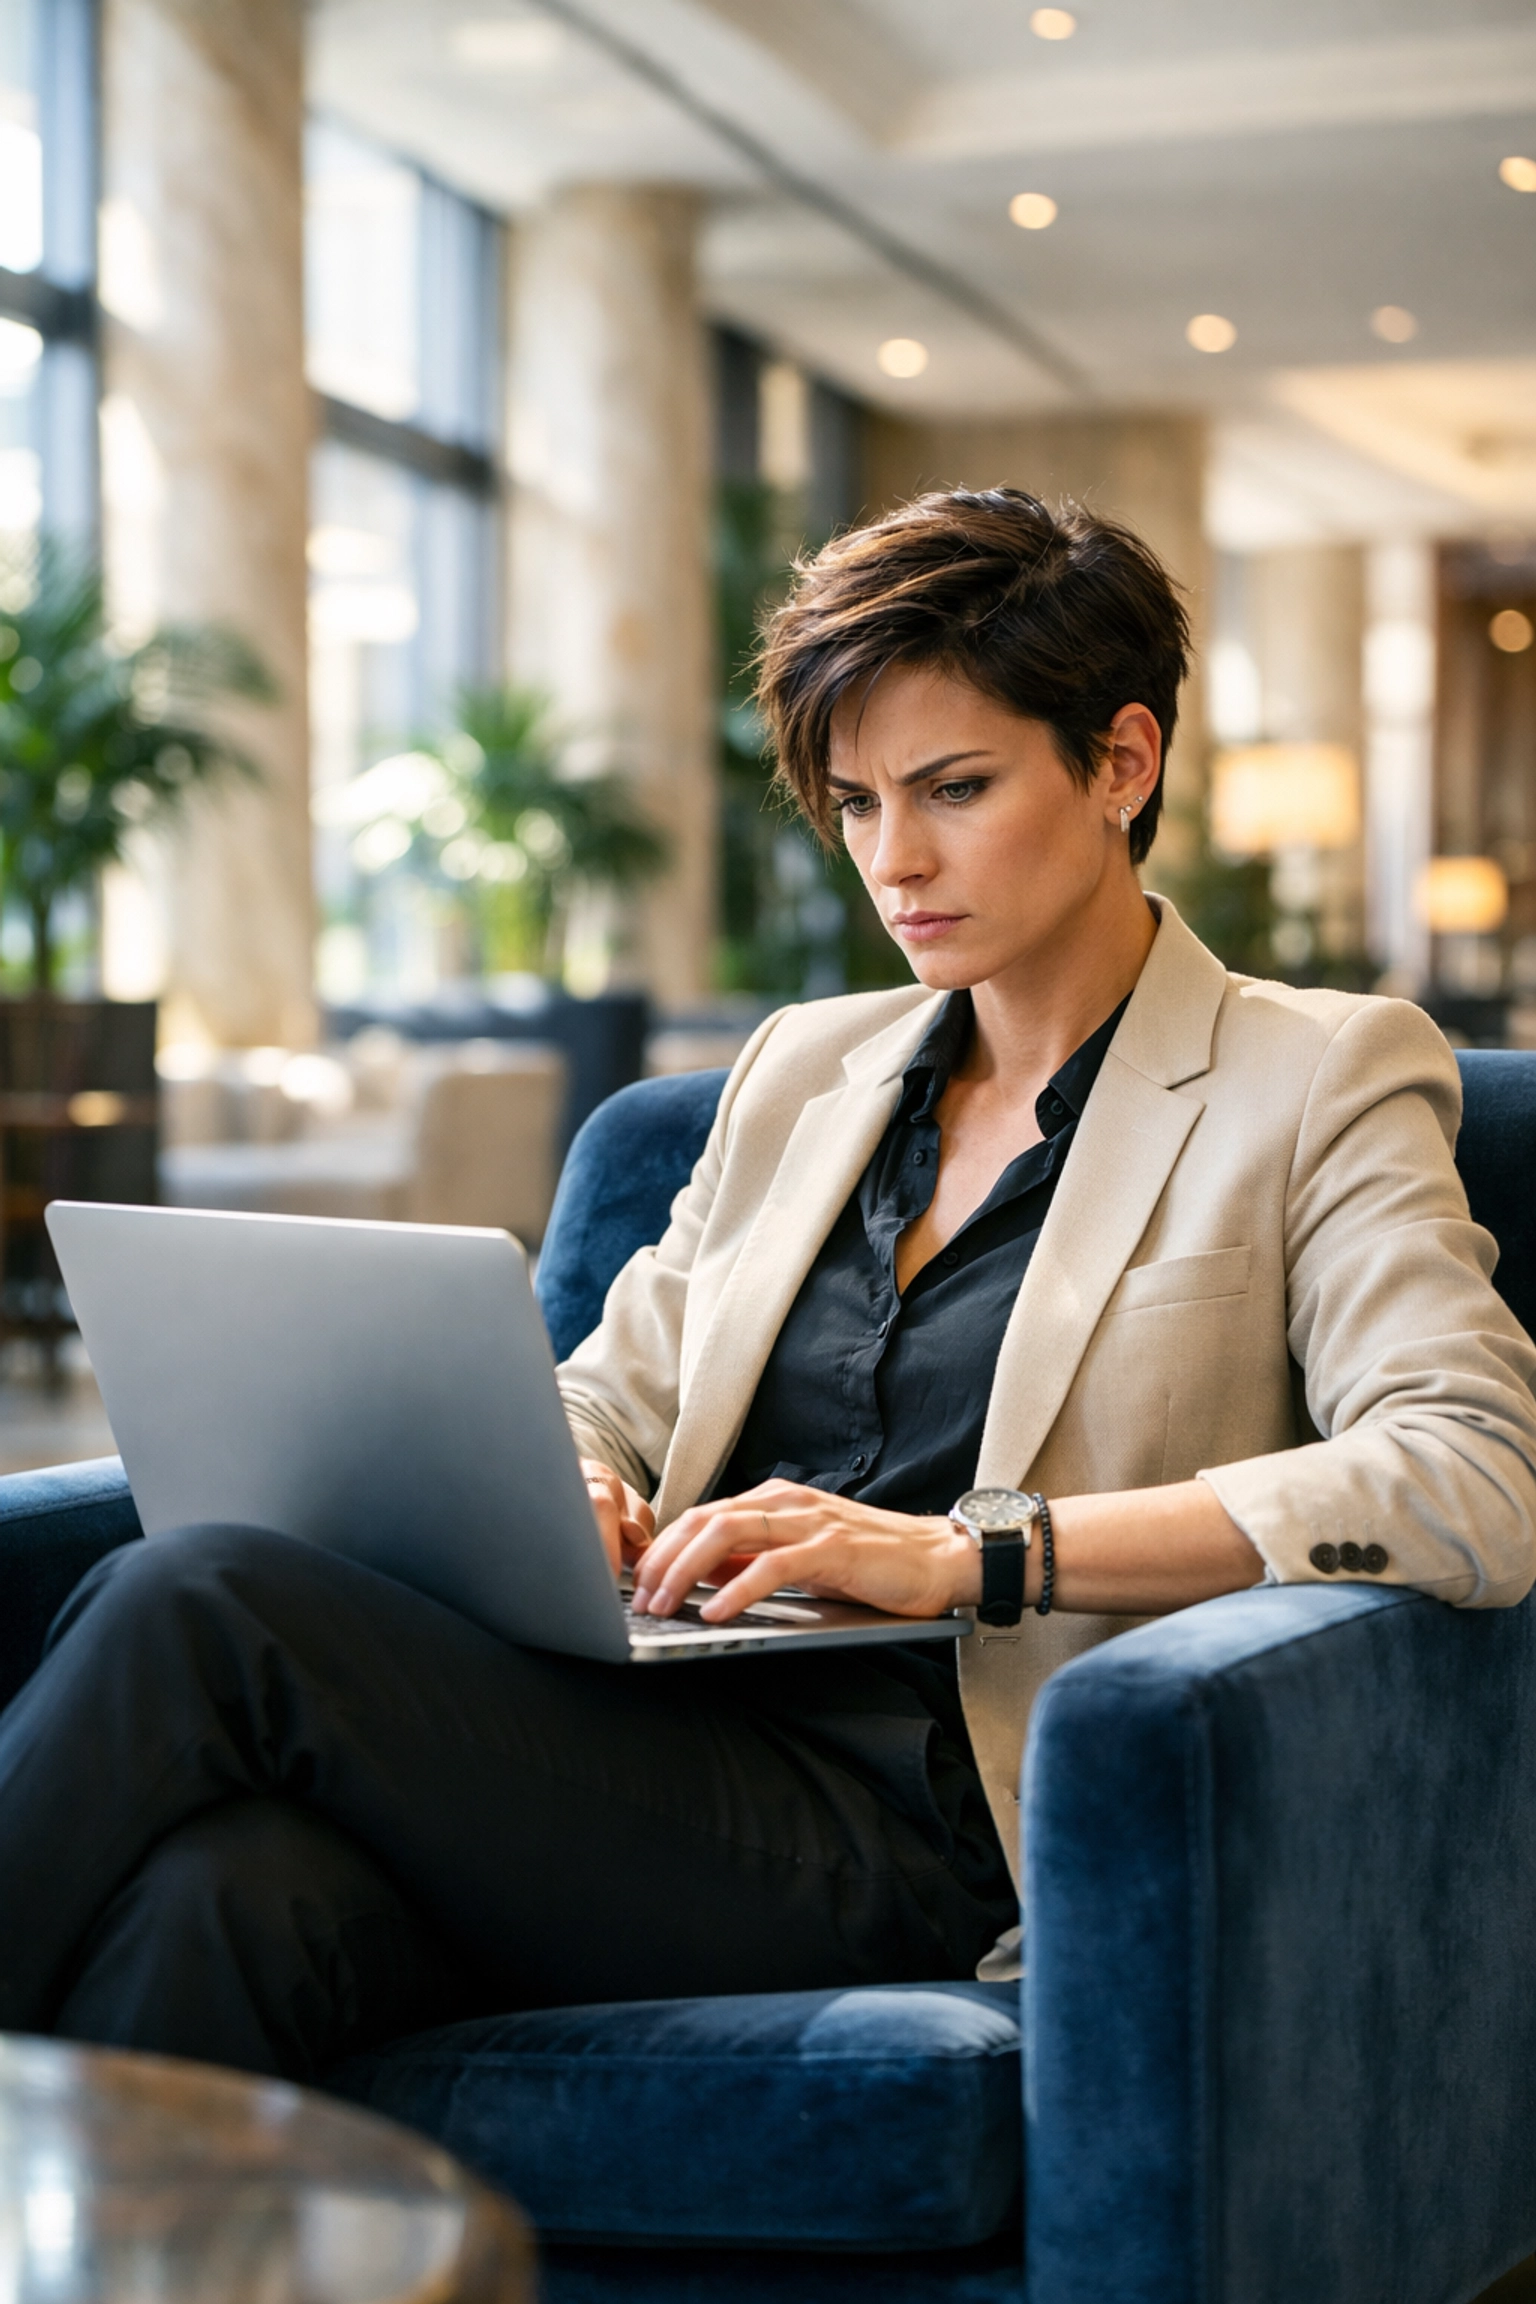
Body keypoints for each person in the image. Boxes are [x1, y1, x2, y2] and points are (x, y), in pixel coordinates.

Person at [0, 488, 1532, 2083]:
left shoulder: (1317, 1075)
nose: (895, 859)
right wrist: (577, 1472)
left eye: (956, 789)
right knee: (220, 1902)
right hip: (660, 1737)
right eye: (859, 804)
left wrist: (970, 1557)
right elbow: (611, 1380)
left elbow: (1468, 1472)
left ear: (1122, 763)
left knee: (202, 1595)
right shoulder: (806, 1070)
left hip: (925, 1820)